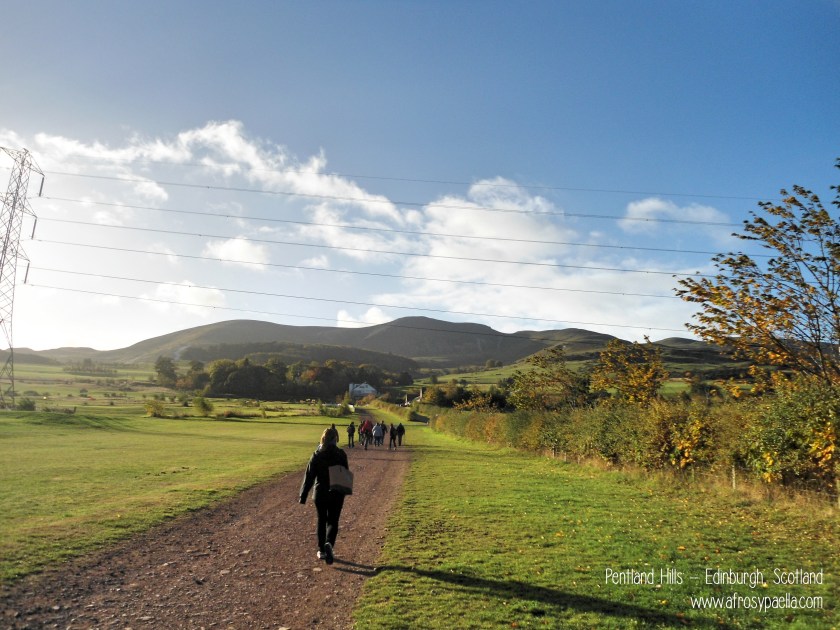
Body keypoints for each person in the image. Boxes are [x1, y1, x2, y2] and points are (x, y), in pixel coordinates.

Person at [299, 428, 350, 565]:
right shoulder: (341, 454)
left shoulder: (317, 455)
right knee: (333, 521)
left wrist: (303, 496)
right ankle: (329, 544)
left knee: (322, 520)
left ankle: (321, 550)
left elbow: (309, 476)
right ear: (336, 439)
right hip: (336, 492)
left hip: (320, 492)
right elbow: (345, 472)